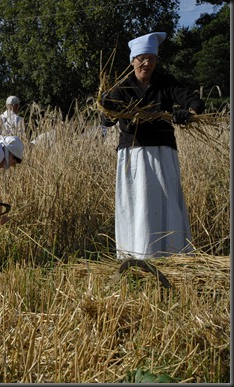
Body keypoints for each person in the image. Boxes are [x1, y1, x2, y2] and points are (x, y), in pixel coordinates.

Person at [101, 32, 205, 260]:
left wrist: (188, 113)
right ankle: (136, 254)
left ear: (156, 61)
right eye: (141, 59)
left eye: (151, 59)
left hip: (162, 153)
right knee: (136, 204)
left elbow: (193, 100)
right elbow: (106, 118)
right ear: (133, 61)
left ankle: (171, 254)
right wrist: (106, 107)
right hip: (133, 154)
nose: (146, 63)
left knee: (166, 202)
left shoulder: (165, 83)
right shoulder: (123, 88)